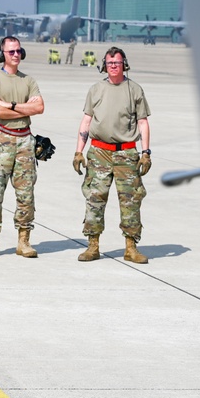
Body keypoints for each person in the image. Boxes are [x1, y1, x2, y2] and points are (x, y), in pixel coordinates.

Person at [72, 46, 151, 264]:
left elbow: (143, 123)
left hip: (126, 153)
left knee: (131, 201)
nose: (113, 67)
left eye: (116, 63)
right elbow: (86, 121)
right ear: (104, 65)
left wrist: (146, 153)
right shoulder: (96, 89)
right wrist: (79, 151)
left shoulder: (134, 89)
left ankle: (131, 247)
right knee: (95, 199)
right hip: (99, 152)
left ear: (124, 64)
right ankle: (93, 245)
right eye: (109, 63)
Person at [0, 36, 46, 258]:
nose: (16, 55)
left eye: (19, 51)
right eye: (11, 52)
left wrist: (12, 105)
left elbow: (39, 108)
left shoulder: (29, 81)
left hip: (25, 142)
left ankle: (24, 241)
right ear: (2, 55)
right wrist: (24, 108)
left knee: (26, 194)